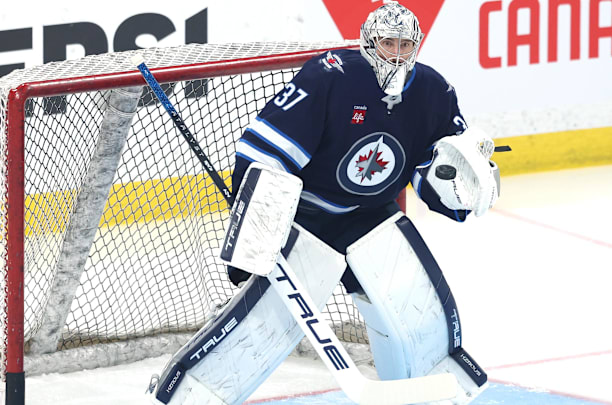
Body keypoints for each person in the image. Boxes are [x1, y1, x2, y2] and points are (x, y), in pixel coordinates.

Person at [148, 2, 499, 404]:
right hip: (306, 219)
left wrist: (458, 187)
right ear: (369, 43)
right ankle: (188, 395)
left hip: (372, 217)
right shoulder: (330, 76)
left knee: (418, 311)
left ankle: (431, 386)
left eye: (405, 45)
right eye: (388, 43)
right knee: (260, 329)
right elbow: (264, 151)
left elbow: (434, 167)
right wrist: (258, 222)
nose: (397, 55)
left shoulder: (434, 91)